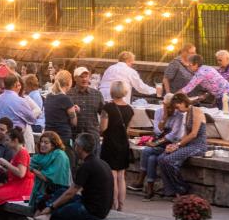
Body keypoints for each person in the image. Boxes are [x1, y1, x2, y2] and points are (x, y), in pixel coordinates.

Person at [36, 132, 114, 220]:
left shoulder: (87, 166)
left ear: (79, 147)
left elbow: (71, 192)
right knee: (60, 192)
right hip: (97, 205)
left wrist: (52, 207)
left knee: (56, 219)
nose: (74, 147)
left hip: (93, 210)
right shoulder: (101, 162)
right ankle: (47, 214)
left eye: (75, 145)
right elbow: (69, 192)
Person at [18, 131, 73, 220]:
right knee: (42, 205)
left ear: (54, 144)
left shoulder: (59, 155)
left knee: (42, 207)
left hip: (59, 192)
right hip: (45, 192)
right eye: (41, 142)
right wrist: (34, 169)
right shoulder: (40, 157)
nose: (42, 145)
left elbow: (47, 178)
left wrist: (34, 170)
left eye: (46, 143)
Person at [130, 94, 184, 200]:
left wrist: (156, 143)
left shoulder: (179, 115)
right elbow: (157, 131)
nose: (170, 109)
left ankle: (141, 180)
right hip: (160, 143)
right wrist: (165, 118)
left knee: (147, 151)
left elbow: (173, 135)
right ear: (163, 104)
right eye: (167, 106)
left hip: (172, 145)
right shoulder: (159, 112)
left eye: (172, 107)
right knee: (151, 159)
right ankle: (150, 189)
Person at [157, 94, 209, 197]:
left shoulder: (197, 111)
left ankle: (182, 188)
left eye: (177, 107)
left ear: (183, 102)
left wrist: (178, 145)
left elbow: (193, 134)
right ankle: (171, 190)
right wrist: (174, 145)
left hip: (198, 145)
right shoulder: (187, 113)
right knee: (161, 158)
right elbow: (185, 134)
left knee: (169, 160)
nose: (177, 110)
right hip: (188, 144)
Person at [99, 80, 134, 211]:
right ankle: (121, 205)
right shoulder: (130, 109)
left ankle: (113, 204)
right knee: (121, 176)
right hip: (123, 144)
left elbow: (103, 128)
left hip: (110, 144)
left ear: (112, 91)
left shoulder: (107, 108)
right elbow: (128, 130)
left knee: (112, 176)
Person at [69, 66, 103, 147]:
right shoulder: (69, 94)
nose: (84, 79)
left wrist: (100, 129)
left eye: (86, 76)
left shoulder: (97, 94)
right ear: (75, 78)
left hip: (93, 135)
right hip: (75, 136)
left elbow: (103, 113)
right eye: (81, 77)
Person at [43, 70, 79, 144]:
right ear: (69, 83)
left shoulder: (48, 96)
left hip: (49, 136)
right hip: (62, 137)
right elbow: (74, 122)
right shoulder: (66, 99)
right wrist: (75, 111)